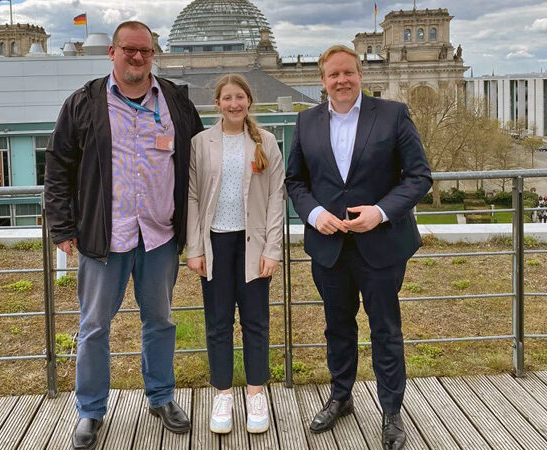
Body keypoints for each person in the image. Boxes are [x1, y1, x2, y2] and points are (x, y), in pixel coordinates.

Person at [44, 20, 203, 450]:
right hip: (103, 237)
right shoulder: (82, 103)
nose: (137, 57)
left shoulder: (176, 101)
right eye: (129, 50)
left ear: (154, 54)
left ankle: (161, 397)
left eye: (145, 51)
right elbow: (58, 168)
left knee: (161, 321)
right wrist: (60, 226)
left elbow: (197, 161)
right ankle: (90, 411)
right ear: (111, 52)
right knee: (94, 326)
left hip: (159, 236)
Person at [285, 45, 432, 450]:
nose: (341, 80)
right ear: (323, 81)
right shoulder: (305, 122)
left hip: (381, 244)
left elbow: (419, 177)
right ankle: (341, 397)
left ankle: (391, 411)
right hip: (329, 247)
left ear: (360, 74)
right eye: (333, 75)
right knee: (337, 327)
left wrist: (381, 212)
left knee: (385, 329)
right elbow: (295, 182)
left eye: (348, 72)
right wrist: (314, 214)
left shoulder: (393, 114)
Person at [185, 74, 285, 434]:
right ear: (217, 103)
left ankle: (256, 393)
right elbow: (193, 197)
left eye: (239, 97)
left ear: (249, 101)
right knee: (217, 323)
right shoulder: (200, 143)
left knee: (256, 322)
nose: (234, 104)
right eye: (227, 98)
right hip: (215, 244)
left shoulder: (266, 143)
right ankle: (223, 394)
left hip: (253, 246)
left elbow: (276, 198)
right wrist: (194, 248)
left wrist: (272, 249)